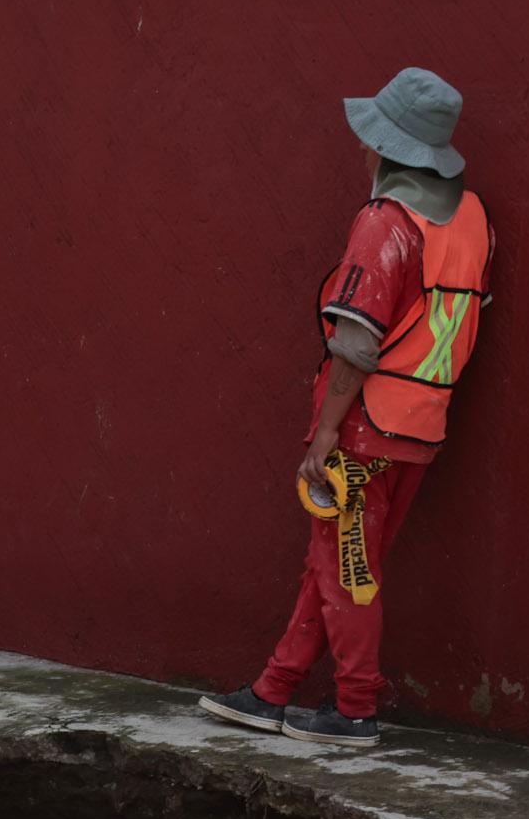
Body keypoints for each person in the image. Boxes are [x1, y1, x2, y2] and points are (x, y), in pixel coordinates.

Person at [200, 68, 494, 748]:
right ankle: (273, 690)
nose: (363, 151)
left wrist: (327, 431)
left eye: (371, 141)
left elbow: (356, 344)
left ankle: (355, 708)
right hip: (422, 428)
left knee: (348, 572)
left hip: (365, 429)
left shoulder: (386, 222)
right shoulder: (474, 218)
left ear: (389, 149)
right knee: (335, 564)